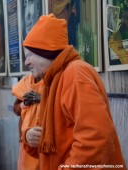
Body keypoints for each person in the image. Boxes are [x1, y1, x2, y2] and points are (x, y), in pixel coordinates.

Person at [21, 14, 126, 169]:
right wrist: (29, 137)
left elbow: (96, 139)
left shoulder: (75, 74)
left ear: (46, 50)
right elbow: (54, 144)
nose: (26, 62)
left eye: (30, 54)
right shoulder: (54, 79)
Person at [12, 74, 42, 170]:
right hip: (26, 138)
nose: (28, 62)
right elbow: (16, 109)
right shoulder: (26, 82)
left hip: (45, 138)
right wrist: (24, 103)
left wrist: (42, 98)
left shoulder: (54, 80)